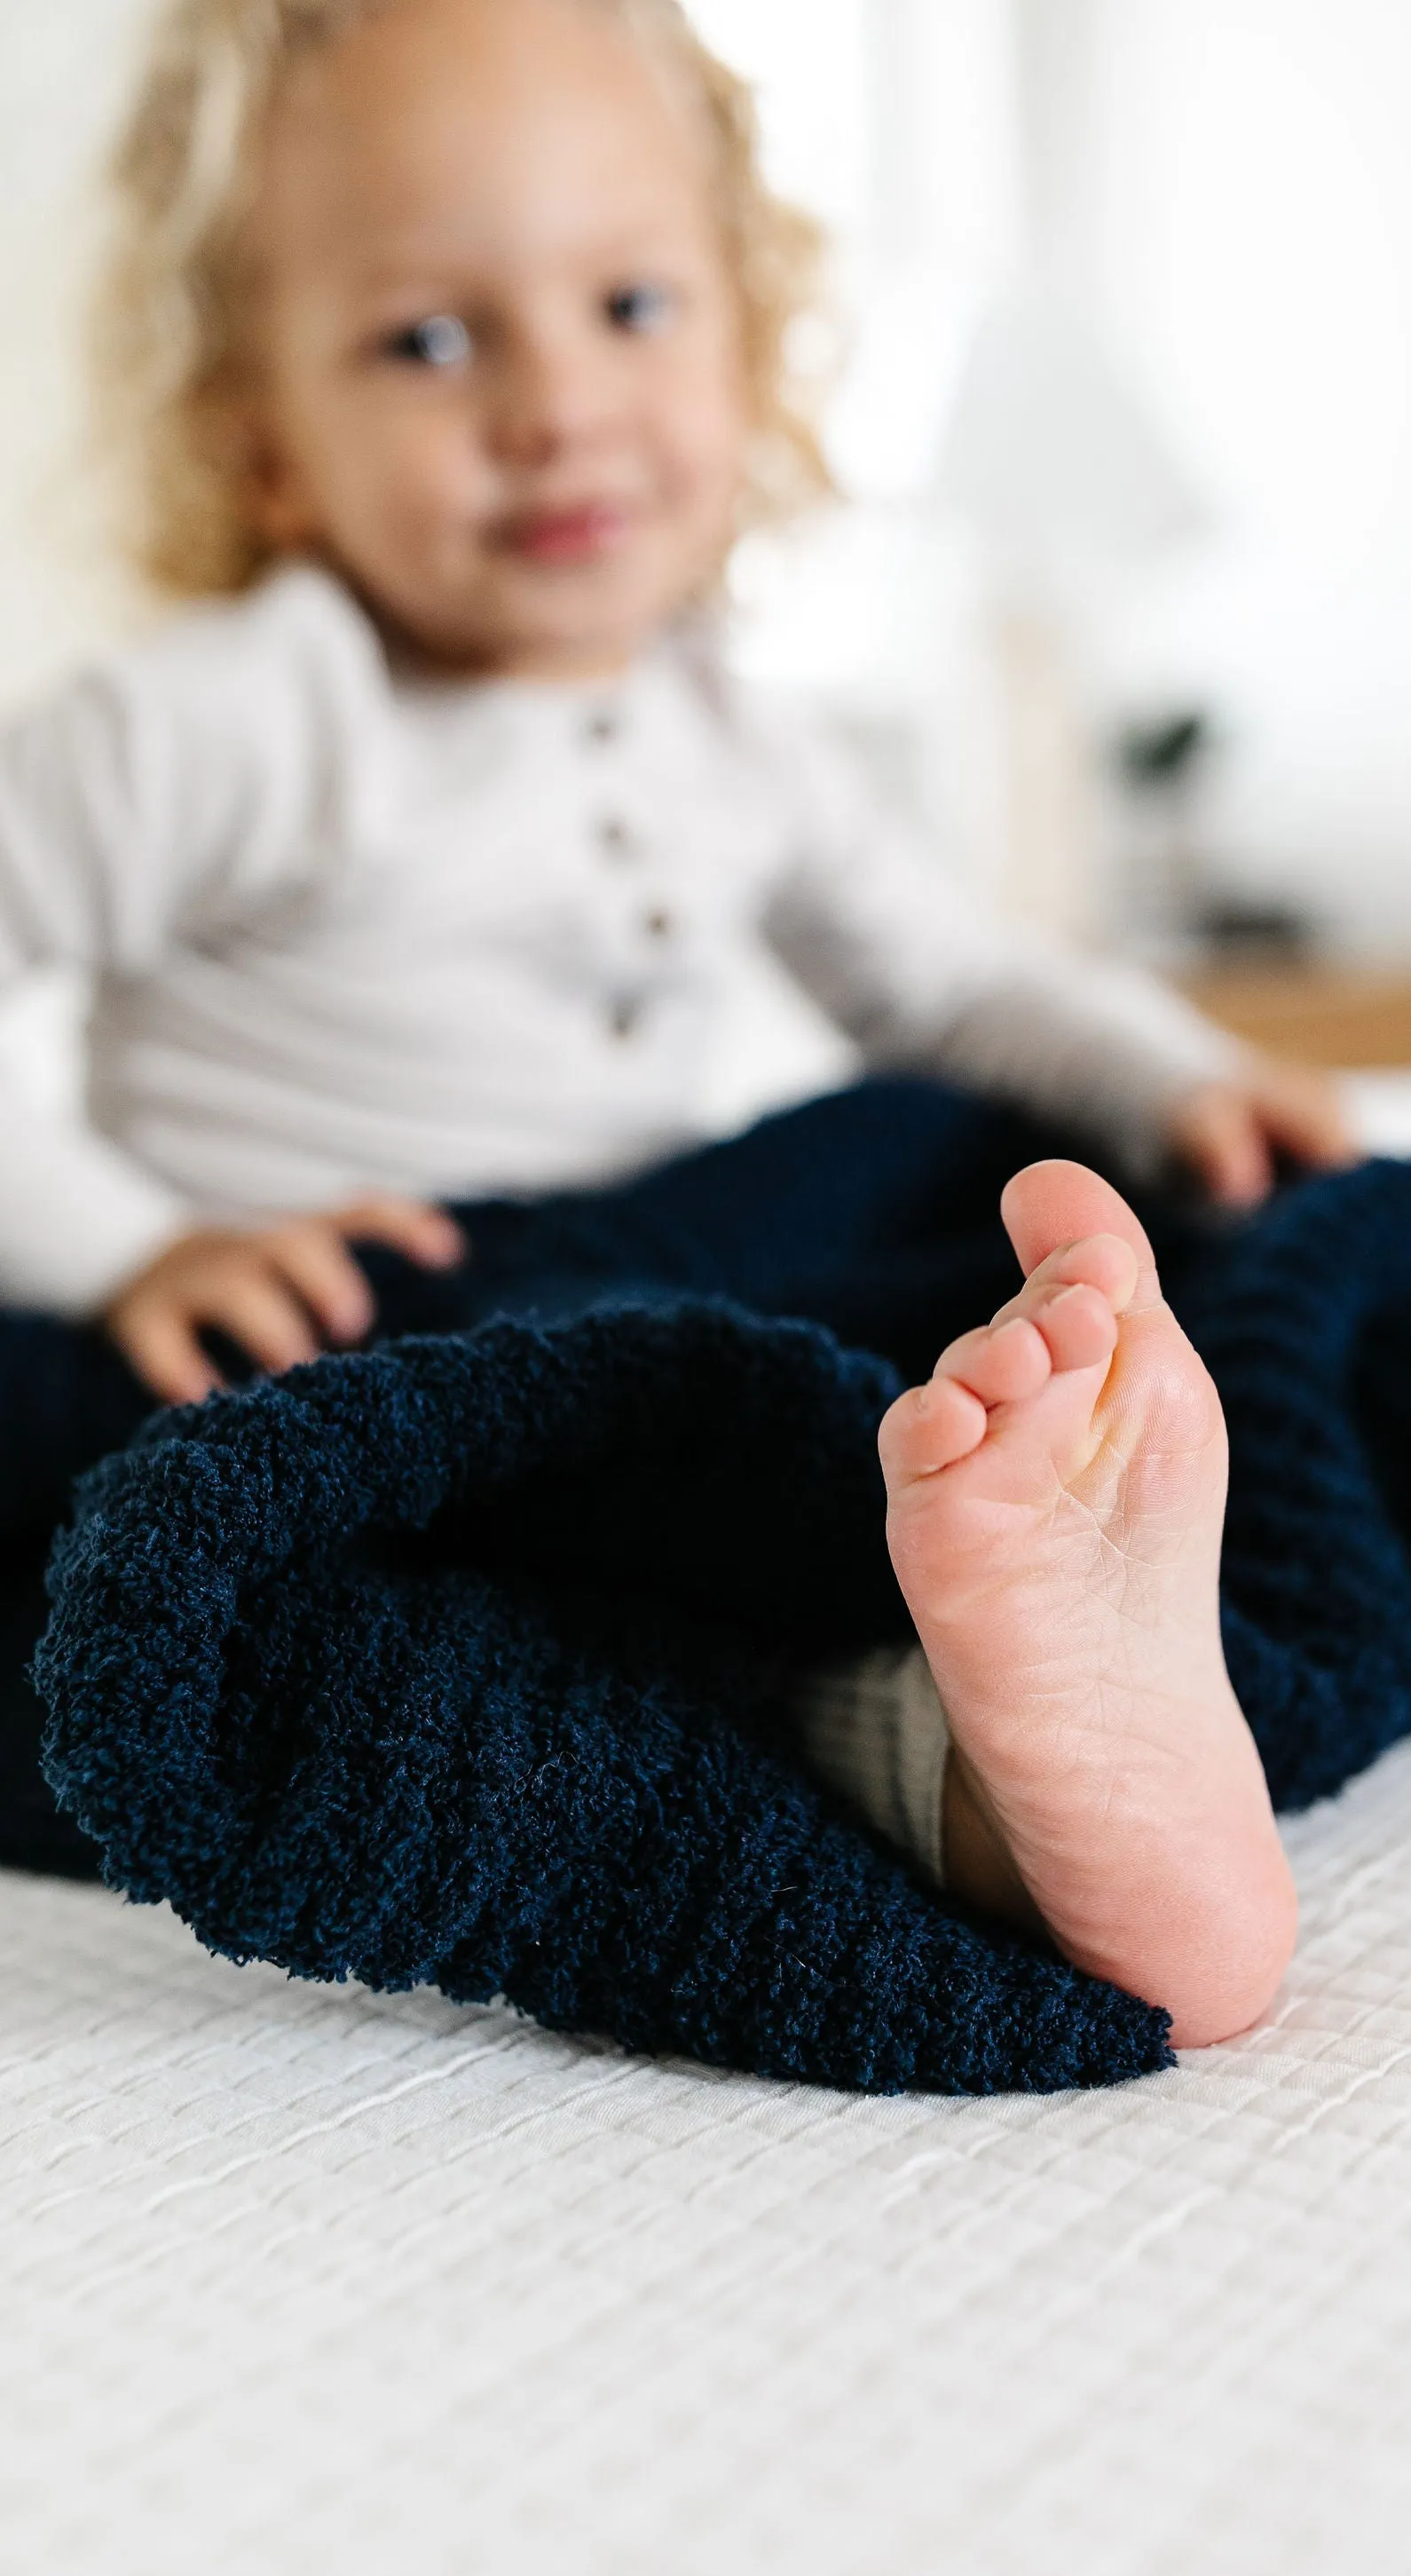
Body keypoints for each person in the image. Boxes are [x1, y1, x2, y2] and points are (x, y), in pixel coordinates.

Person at [0, 0, 1333, 2040]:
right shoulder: (234, 715)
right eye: (429, 341)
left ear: (747, 342)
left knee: (948, 1160)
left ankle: (1026, 1667)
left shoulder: (740, 734)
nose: (553, 404)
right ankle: (915, 1757)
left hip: (631, 1322)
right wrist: (125, 1252)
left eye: (629, 303)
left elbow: (956, 979)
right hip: (350, 1347)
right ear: (261, 435)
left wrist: (1183, 1083)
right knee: (214, 1549)